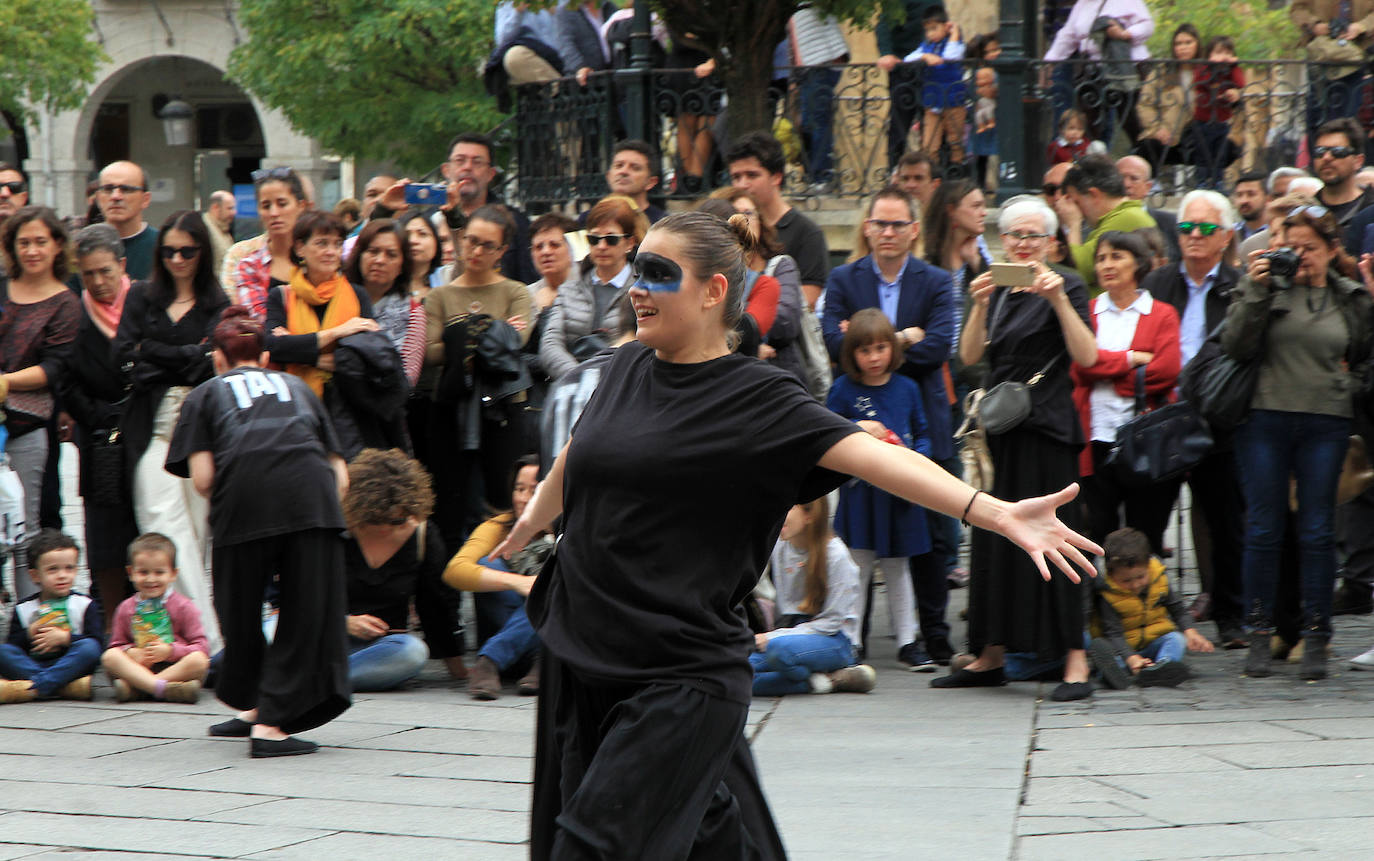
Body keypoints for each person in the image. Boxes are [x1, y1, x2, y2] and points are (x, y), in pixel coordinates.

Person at [492, 210, 1097, 857]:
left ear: (713, 291)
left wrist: (996, 511)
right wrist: (534, 519)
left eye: (658, 273)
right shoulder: (624, 367)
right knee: (713, 839)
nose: (636, 285)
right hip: (580, 649)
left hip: (677, 672)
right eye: (636, 269)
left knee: (589, 845)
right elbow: (581, 449)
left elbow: (878, 458)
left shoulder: (759, 398)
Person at [935, 195, 1099, 702]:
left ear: (1052, 242)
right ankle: (991, 655)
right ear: (1001, 239)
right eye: (1014, 235)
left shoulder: (1066, 283)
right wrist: (980, 305)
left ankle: (1075, 661)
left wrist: (1057, 301)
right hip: (1000, 431)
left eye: (1033, 236)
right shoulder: (997, 286)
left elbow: (1087, 356)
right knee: (995, 539)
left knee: (1055, 535)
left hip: (1046, 429)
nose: (1023, 245)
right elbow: (968, 359)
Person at [167, 306, 351, 757]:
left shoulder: (204, 395)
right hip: (313, 497)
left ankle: (263, 717)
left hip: (244, 503)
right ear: (266, 358)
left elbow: (205, 479)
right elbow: (340, 474)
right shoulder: (298, 387)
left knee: (238, 610)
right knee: (305, 612)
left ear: (217, 358)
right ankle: (265, 712)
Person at [1223, 204, 1372, 681]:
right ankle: (1260, 631)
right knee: (1265, 529)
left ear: (1332, 251)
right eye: (1293, 247)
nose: (1301, 257)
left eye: (1311, 248)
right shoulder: (1268, 288)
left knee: (1317, 531)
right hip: (1265, 419)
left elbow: (1366, 358)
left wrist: (1345, 389)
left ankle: (1316, 635)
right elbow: (1235, 345)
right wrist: (1257, 288)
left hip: (1326, 422)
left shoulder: (1350, 297)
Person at [822, 187, 959, 665]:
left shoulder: (937, 281)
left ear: (914, 230)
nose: (887, 232)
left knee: (933, 538)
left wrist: (877, 340)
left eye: (898, 224)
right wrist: (906, 337)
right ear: (866, 226)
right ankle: (854, 638)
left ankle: (932, 634)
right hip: (860, 433)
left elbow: (940, 345)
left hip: (921, 420)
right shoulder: (843, 278)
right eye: (879, 223)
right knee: (861, 551)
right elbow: (832, 343)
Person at [114, 210, 229, 654]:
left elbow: (211, 361)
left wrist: (155, 353)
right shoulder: (141, 295)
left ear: (203, 251)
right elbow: (124, 358)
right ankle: (211, 646)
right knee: (165, 533)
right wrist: (186, 355)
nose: (178, 259)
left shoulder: (217, 302)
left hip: (202, 437)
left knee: (198, 542)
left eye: (188, 250)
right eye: (169, 251)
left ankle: (182, 641)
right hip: (151, 432)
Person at [1140, 189, 1248, 648]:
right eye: (1186, 228)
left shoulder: (1238, 286)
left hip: (1218, 421)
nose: (1195, 237)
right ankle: (1143, 613)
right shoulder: (1158, 282)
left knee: (1228, 521)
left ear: (1225, 237)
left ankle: (1232, 616)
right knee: (1148, 520)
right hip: (1165, 417)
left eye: (1205, 228)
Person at [828, 309, 932, 669]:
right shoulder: (842, 390)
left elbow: (923, 435)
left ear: (893, 348)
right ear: (851, 354)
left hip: (900, 495)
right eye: (864, 351)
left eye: (880, 348)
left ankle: (907, 640)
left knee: (899, 569)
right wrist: (859, 427)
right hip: (860, 496)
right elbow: (829, 435)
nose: (873, 358)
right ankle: (852, 640)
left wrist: (917, 460)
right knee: (858, 569)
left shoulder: (907, 388)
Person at [424, 204, 533, 544]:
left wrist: (459, 334)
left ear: (502, 250)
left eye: (487, 245)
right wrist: (490, 330)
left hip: (503, 407)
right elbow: (429, 351)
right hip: (451, 407)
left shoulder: (515, 291)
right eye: (471, 240)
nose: (476, 250)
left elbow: (515, 343)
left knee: (502, 501)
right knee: (449, 502)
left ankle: (502, 585)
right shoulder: (441, 294)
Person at [1070, 230, 1182, 552]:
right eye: (1101, 258)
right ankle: (1102, 599)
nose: (1107, 264)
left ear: (1139, 264)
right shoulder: (1088, 311)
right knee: (1098, 530)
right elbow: (1079, 367)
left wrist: (1104, 374)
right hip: (1095, 438)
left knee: (1146, 531)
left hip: (1146, 440)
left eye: (1117, 256)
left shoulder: (1161, 313)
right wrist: (1130, 361)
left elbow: (1167, 370)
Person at [0, 206, 80, 604]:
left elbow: (56, 367)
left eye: (40, 242)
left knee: (25, 527)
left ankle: (33, 620)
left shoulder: (66, 302)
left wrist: (5, 382)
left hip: (29, 425)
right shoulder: (1, 287)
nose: (31, 250)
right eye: (23, 242)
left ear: (57, 246)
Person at [61, 225, 140, 627]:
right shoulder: (74, 316)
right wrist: (99, 415)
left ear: (122, 265)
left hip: (143, 433)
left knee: (147, 527)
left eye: (105, 272)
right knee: (105, 537)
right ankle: (112, 624)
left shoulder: (144, 303)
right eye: (88, 274)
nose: (98, 282)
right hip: (99, 438)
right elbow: (65, 379)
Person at [342, 449, 462, 691]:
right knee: (274, 630)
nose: (388, 529)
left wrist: (456, 666)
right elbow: (295, 597)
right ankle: (316, 677)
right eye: (375, 520)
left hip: (379, 647)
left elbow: (436, 604)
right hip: (321, 637)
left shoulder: (420, 534)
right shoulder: (334, 530)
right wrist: (342, 623)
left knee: (414, 652)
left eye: (398, 521)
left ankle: (312, 679)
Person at [444, 455, 550, 700]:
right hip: (502, 627)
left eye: (533, 491)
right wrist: (517, 582)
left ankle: (492, 659)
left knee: (560, 580)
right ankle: (497, 658)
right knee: (485, 562)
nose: (523, 498)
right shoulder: (498, 526)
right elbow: (455, 570)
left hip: (548, 645)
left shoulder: (569, 527)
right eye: (519, 488)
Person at [752, 498, 876, 695]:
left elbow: (831, 623)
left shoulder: (836, 555)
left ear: (809, 515)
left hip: (834, 639)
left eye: (789, 507)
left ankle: (829, 674)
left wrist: (771, 637)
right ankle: (825, 679)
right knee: (741, 672)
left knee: (779, 651)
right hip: (791, 634)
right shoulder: (779, 546)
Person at [378, 134, 536, 285]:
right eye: (460, 161)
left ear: (491, 174)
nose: (467, 167)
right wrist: (384, 209)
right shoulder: (428, 222)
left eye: (477, 162)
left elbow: (529, 279)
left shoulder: (514, 221)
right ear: (446, 170)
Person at [1087, 527, 1214, 689]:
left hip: (1152, 642)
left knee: (1176, 639)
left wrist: (1190, 631)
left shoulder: (1159, 578)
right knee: (1108, 654)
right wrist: (1131, 657)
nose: (1135, 585)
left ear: (1149, 565)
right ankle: (1117, 672)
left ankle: (1160, 668)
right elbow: (1114, 634)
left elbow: (1178, 610)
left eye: (1141, 577)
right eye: (1126, 581)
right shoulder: (1107, 594)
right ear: (1111, 575)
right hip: (1122, 647)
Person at [539, 196, 645, 381]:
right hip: (572, 387)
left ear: (629, 243)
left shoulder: (643, 290)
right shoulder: (569, 289)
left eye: (611, 239)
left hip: (623, 385)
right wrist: (579, 378)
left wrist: (604, 380)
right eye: (594, 239)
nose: (601, 246)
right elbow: (550, 344)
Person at [708, 188, 806, 382]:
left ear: (761, 220)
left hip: (770, 375)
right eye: (735, 214)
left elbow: (785, 322)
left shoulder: (777, 269)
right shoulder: (701, 274)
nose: (743, 221)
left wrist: (745, 341)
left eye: (748, 214)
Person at [100, 532, 210, 703]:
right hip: (139, 667)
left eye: (159, 572)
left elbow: (201, 647)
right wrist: (130, 651)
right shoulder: (126, 608)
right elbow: (117, 644)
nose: (151, 579)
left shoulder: (184, 606)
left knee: (199, 660)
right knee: (110, 656)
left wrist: (171, 651)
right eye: (143, 572)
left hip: (175, 667)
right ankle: (164, 689)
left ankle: (140, 689)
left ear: (173, 574)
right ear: (131, 572)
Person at [727, 132, 830, 309]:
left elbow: (807, 301)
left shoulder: (807, 233)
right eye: (736, 177)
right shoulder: (730, 225)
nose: (743, 184)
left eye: (752, 175)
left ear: (776, 177)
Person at [0, 530, 102, 703]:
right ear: (35, 575)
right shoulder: (24, 608)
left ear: (76, 570)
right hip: (33, 664)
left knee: (89, 647)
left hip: (71, 664)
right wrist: (29, 634)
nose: (62, 575)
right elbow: (14, 646)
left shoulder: (84, 604)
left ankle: (34, 687)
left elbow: (97, 643)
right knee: (3, 651)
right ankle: (63, 687)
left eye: (69, 568)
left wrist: (66, 638)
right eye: (52, 569)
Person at [1044, 0, 1154, 142]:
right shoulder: (1082, 5)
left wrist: (1125, 34)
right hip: (1094, 71)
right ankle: (1093, 160)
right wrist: (1050, 62)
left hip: (1126, 69)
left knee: (1133, 122)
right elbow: (1068, 36)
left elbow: (1147, 25)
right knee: (1090, 126)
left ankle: (1148, 159)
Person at [1057, 153, 1159, 290]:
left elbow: (1078, 271)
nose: (1076, 211)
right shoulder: (1117, 217)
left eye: (1077, 202)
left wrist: (1073, 225)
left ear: (1093, 194)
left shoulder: (1127, 217)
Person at [343, 219, 424, 386]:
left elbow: (407, 380)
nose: (380, 260)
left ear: (402, 265)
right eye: (373, 251)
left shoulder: (413, 312)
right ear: (359, 255)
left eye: (391, 254)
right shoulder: (335, 298)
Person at [232, 167, 312, 320]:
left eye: (282, 204)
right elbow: (259, 323)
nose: (274, 213)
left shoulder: (319, 257)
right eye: (266, 206)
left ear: (301, 206)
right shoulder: (249, 266)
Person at [876, 0, 948, 169]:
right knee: (900, 122)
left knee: (935, 121)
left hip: (932, 71)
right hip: (904, 68)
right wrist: (887, 54)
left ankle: (937, 173)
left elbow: (940, 23)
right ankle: (894, 171)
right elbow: (884, 25)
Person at [789, 6, 849, 187]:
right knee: (809, 123)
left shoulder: (807, 5)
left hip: (820, 63)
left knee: (817, 121)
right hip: (811, 67)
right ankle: (816, 175)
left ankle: (822, 176)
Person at [1132, 23, 1200, 178]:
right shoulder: (1162, 71)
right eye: (1178, 43)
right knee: (1147, 147)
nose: (1183, 47)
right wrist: (1157, 129)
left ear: (1197, 44)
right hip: (1167, 134)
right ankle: (1150, 184)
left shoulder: (1205, 72)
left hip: (1196, 135)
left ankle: (1209, 183)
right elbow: (1145, 104)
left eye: (1188, 42)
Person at [903, 8, 967, 168]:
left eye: (934, 28)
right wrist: (925, 56)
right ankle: (932, 174)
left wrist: (954, 33)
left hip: (954, 99)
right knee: (930, 142)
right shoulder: (926, 47)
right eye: (927, 30)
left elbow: (951, 56)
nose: (930, 34)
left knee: (955, 139)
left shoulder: (956, 43)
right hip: (932, 100)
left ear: (946, 26)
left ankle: (956, 172)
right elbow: (907, 58)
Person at [1189, 36, 1244, 190]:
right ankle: (1201, 181)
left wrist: (1234, 66)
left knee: (1219, 152)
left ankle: (1217, 181)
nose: (1223, 57)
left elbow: (1240, 83)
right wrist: (1214, 65)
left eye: (1227, 53)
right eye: (1219, 52)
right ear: (1210, 54)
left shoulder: (1229, 70)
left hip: (1222, 119)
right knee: (1202, 153)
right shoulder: (1203, 67)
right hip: (1203, 119)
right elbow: (1202, 81)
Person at [577, 140, 666, 225]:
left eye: (635, 168)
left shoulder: (662, 223)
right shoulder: (587, 219)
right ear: (608, 176)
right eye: (619, 165)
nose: (623, 171)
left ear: (651, 182)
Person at [95, 161, 157, 280]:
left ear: (145, 199)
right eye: (108, 189)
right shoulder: (83, 246)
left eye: (126, 189)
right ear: (98, 198)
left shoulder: (162, 246)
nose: (116, 196)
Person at [1117, 155, 1181, 261]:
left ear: (1148, 187)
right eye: (1120, 178)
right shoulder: (1099, 222)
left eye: (1134, 178)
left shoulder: (1169, 223)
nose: (1126, 184)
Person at [892, 151, 942, 217]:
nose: (911, 185)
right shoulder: (887, 220)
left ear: (935, 185)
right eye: (905, 179)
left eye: (918, 178)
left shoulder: (946, 221)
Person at [204, 190, 236, 277]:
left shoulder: (223, 228)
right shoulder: (204, 228)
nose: (234, 212)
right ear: (215, 207)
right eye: (230, 208)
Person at [1232, 172, 1268, 240]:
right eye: (1239, 195)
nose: (1244, 200)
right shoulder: (1230, 234)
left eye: (1251, 194)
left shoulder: (1276, 232)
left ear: (1267, 198)